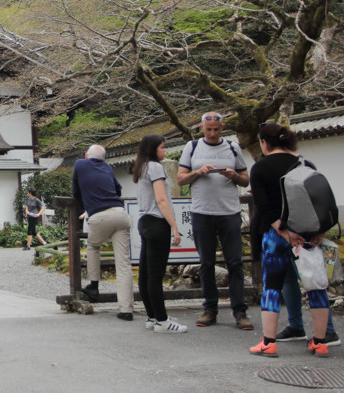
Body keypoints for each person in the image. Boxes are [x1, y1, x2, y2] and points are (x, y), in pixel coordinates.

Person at [248, 122, 331, 357]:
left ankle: (268, 342)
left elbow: (262, 205)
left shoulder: (261, 168)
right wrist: (319, 231)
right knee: (315, 286)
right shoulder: (305, 163)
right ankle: (320, 342)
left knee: (272, 288)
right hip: (307, 236)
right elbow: (320, 200)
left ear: (264, 142)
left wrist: (282, 230)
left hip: (275, 237)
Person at [177, 112, 252, 330]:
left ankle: (240, 311)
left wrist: (234, 176)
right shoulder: (192, 147)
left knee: (235, 263)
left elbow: (245, 178)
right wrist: (198, 172)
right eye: (208, 129)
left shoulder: (232, 147)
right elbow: (181, 178)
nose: (212, 133)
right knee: (206, 264)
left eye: (216, 129)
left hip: (229, 211)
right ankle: (210, 309)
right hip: (202, 211)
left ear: (222, 128)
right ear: (202, 127)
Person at [72, 144, 134, 321]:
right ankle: (126, 309)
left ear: (86, 156)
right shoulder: (107, 167)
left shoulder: (79, 165)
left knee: (93, 246)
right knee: (123, 264)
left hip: (99, 216)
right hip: (120, 214)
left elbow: (75, 191)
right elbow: (118, 189)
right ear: (104, 158)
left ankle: (94, 284)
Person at [133, 135, 187, 333]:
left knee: (146, 273)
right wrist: (174, 226)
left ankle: (152, 316)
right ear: (153, 149)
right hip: (157, 222)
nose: (164, 151)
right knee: (155, 275)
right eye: (162, 148)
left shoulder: (142, 166)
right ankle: (162, 321)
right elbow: (162, 200)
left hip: (144, 221)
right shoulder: (155, 167)